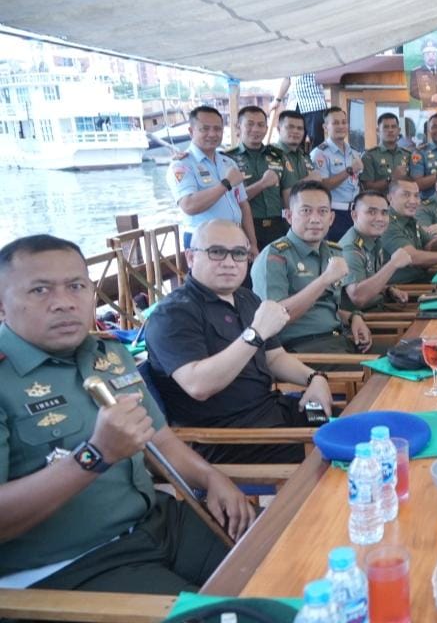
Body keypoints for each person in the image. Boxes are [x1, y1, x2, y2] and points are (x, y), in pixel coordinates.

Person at [0, 234, 254, 592]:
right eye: (40, 291)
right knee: (235, 615)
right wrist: (95, 456)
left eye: (76, 286)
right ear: (2, 304)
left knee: (289, 559)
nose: (64, 303)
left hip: (160, 523)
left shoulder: (108, 353)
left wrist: (210, 478)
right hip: (72, 565)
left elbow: (160, 439)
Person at [145, 220, 333, 464]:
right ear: (190, 258)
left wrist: (314, 378)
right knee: (344, 455)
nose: (229, 262)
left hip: (274, 413)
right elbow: (198, 385)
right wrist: (254, 333)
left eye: (238, 253)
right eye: (216, 252)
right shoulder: (173, 314)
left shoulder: (246, 298)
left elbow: (275, 357)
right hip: (229, 440)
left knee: (359, 425)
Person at [251, 181, 372, 356]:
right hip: (300, 351)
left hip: (338, 341)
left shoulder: (333, 251)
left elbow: (326, 308)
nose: (315, 219)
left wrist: (354, 317)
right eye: (306, 211)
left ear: (331, 218)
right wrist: (324, 280)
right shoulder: (275, 256)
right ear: (289, 216)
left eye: (322, 212)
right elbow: (274, 319)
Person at [168, 106, 257, 251]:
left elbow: (243, 204)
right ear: (191, 132)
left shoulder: (228, 162)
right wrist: (226, 184)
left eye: (217, 129)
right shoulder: (181, 165)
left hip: (235, 235)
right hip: (204, 240)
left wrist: (252, 243)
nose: (212, 134)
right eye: (205, 129)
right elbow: (189, 205)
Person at [224, 106, 291, 249]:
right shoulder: (227, 159)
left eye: (261, 125)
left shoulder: (278, 156)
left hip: (278, 226)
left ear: (267, 129)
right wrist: (262, 184)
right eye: (250, 124)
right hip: (244, 226)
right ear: (238, 127)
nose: (255, 129)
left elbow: (287, 194)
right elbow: (229, 200)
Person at [383, 179, 437, 284]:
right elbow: (412, 257)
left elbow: (431, 247)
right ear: (390, 198)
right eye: (406, 195)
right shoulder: (387, 223)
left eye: (416, 196)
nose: (413, 201)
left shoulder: (410, 220)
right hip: (405, 289)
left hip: (423, 278)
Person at [340, 191, 412, 312]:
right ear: (354, 215)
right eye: (371, 212)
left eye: (384, 213)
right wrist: (393, 264)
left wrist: (388, 290)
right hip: (361, 323)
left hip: (379, 311)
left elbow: (368, 280)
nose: (379, 218)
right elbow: (358, 297)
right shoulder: (350, 248)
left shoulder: (375, 240)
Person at [311, 106, 362, 242]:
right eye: (335, 123)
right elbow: (322, 185)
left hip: (355, 212)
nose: (341, 126)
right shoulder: (320, 153)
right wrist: (349, 170)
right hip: (334, 213)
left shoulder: (354, 152)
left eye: (344, 122)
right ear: (325, 127)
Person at [276, 109, 322, 203]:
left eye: (300, 128)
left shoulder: (304, 156)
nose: (296, 131)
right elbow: (282, 195)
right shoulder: (271, 154)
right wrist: (308, 180)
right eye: (290, 127)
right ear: (279, 129)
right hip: (281, 215)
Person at [273, 74, 328, 148]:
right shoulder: (290, 63)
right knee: (294, 139)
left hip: (314, 104)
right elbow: (287, 79)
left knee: (316, 140)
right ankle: (296, 159)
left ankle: (316, 159)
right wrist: (278, 100)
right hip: (295, 104)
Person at [360, 113, 408, 196]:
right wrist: (391, 178)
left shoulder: (407, 155)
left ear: (399, 130)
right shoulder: (369, 156)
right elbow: (367, 188)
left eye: (393, 127)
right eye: (386, 127)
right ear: (378, 131)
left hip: (403, 204)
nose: (390, 130)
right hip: (380, 204)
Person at [408, 38, 437, 107]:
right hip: (427, 108)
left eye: (434, 53)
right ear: (423, 56)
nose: (431, 56)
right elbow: (413, 92)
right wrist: (431, 97)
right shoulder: (416, 72)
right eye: (427, 54)